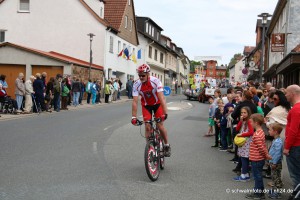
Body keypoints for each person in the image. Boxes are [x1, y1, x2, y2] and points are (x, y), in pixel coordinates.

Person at [131, 64, 170, 157]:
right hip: (146, 106)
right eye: (139, 75)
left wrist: (165, 113)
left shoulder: (156, 81)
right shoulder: (136, 84)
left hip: (157, 105)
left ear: (148, 74)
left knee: (159, 125)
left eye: (143, 75)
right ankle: (150, 148)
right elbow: (135, 102)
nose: (141, 77)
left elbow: (161, 98)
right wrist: (134, 117)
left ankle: (167, 145)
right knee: (147, 126)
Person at [245, 113, 272, 199]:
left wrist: (266, 155)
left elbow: (261, 148)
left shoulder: (256, 135)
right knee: (258, 176)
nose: (250, 124)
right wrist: (266, 155)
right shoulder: (261, 132)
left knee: (257, 177)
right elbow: (263, 146)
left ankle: (257, 194)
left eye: (251, 122)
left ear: (256, 122)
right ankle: (261, 193)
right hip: (258, 158)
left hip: (256, 159)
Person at [284, 85, 300, 200]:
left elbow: (293, 131)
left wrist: (287, 147)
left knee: (296, 174)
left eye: (286, 93)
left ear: (293, 93)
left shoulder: (295, 109)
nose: (285, 95)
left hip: (295, 146)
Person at [233, 106, 254, 182]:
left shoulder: (249, 121)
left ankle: (243, 175)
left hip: (247, 142)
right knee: (243, 158)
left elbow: (251, 132)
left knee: (244, 158)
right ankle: (246, 174)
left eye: (245, 112)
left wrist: (241, 135)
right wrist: (240, 121)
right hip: (243, 142)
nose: (243, 114)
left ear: (248, 113)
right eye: (242, 112)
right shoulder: (243, 120)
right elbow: (237, 129)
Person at [268, 123, 284, 199]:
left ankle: (278, 192)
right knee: (274, 177)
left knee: (276, 177)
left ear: (276, 132)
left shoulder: (278, 142)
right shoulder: (275, 140)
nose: (268, 131)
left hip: (276, 163)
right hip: (273, 162)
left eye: (270, 130)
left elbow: (277, 154)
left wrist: (274, 163)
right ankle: (274, 190)